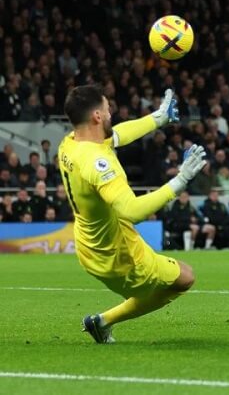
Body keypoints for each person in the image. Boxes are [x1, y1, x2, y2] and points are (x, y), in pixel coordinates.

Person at [57, 85, 207, 344]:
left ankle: (101, 323)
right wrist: (180, 181)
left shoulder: (70, 144)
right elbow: (132, 211)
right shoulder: (97, 162)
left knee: (173, 278)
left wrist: (157, 118)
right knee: (185, 278)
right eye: (107, 109)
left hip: (88, 247)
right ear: (97, 116)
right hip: (120, 257)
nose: (111, 113)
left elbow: (118, 135)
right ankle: (103, 322)